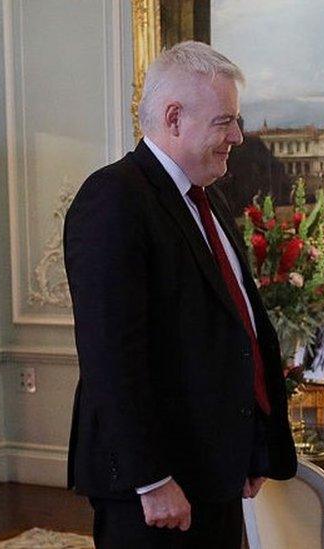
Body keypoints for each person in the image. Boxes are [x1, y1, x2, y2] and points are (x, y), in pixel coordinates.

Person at [64, 41, 297, 548]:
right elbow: (110, 355)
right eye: (225, 121)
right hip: (155, 489)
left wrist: (251, 445)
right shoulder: (114, 198)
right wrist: (152, 478)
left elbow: (235, 329)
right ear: (174, 118)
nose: (237, 136)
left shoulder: (208, 198)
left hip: (210, 473)